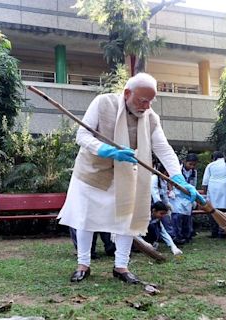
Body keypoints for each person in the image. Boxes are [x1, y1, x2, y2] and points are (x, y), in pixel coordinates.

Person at [58, 73, 198, 283]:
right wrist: (105, 149)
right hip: (91, 172)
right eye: (142, 100)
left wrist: (177, 177)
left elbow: (163, 148)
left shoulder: (151, 118)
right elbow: (82, 136)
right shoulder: (103, 103)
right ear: (127, 93)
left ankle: (121, 267)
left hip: (124, 175)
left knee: (126, 221)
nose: (146, 106)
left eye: (150, 101)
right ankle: (83, 264)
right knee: (85, 218)